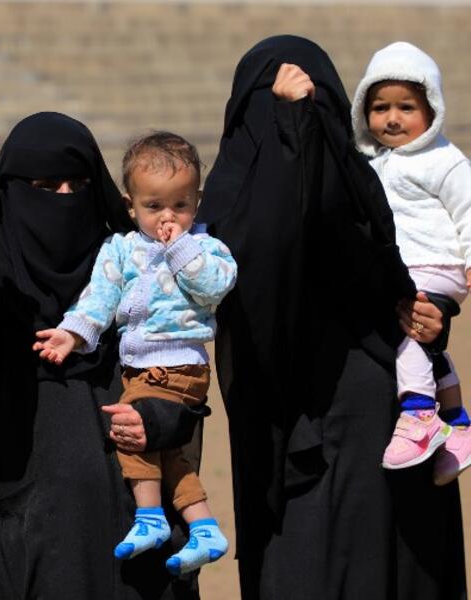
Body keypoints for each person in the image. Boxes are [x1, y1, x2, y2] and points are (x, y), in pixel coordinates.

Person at [197, 36, 466, 599]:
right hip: (284, 436)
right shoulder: (225, 198)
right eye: (273, 105)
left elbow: (410, 269)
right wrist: (293, 130)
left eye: (309, 105)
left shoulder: (367, 182)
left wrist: (437, 309)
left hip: (387, 421)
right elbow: (269, 251)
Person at [0, 113, 210, 598]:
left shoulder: (131, 264)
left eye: (79, 185)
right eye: (46, 186)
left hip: (137, 524)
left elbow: (182, 366)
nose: (65, 198)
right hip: (33, 528)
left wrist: (156, 421)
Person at [32, 132, 236, 575]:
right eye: (154, 206)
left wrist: (180, 248)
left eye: (180, 205)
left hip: (180, 363)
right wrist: (73, 334)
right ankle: (204, 527)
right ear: (130, 205)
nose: (168, 217)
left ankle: (150, 517)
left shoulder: (204, 246)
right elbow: (99, 298)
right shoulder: (121, 248)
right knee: (167, 452)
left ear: (197, 202)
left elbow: (215, 287)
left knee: (128, 429)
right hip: (138, 365)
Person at [350, 41, 471, 482]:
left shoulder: (444, 160)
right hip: (410, 265)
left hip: (435, 263)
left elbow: (468, 210)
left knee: (404, 332)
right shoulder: (374, 162)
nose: (392, 118)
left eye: (406, 107)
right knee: (423, 338)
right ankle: (457, 422)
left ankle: (419, 414)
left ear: (432, 109)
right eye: (380, 107)